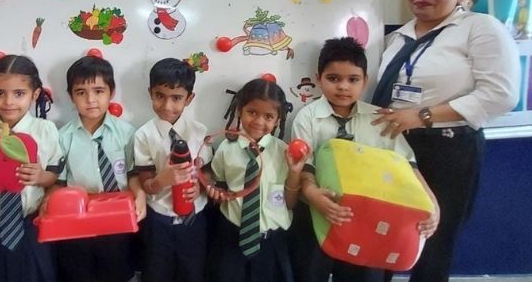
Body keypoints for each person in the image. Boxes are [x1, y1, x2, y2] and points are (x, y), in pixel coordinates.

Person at [371, 0, 519, 281]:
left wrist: (422, 115)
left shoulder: (479, 28)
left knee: (434, 241)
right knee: (383, 234)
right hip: (396, 149)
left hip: (447, 150)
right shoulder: (399, 37)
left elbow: (501, 94)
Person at [290, 37, 438, 282]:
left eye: (353, 79)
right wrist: (313, 195)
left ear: (365, 81)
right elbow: (304, 166)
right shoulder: (307, 118)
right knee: (310, 272)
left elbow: (407, 166)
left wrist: (432, 203)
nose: (343, 87)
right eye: (333, 78)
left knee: (364, 275)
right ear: (318, 78)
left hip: (368, 219)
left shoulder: (378, 118)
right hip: (318, 211)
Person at [0, 54, 63, 282]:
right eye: (0, 93)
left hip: (31, 223)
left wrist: (41, 176)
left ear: (34, 94)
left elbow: (55, 176)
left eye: (19, 94)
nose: (8, 102)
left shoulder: (45, 130)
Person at [54, 55, 146, 282]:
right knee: (80, 272)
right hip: (79, 218)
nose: (90, 100)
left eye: (98, 91)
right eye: (81, 92)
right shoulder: (63, 137)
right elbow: (60, 183)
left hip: (117, 215)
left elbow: (132, 174)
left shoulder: (126, 133)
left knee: (117, 270)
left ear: (111, 92)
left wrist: (140, 194)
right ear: (71, 96)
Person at [207, 78, 305, 282]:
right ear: (239, 111)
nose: (259, 122)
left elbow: (290, 203)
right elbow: (219, 186)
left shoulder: (284, 152)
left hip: (271, 241)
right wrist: (216, 193)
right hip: (232, 236)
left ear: (278, 120)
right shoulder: (226, 148)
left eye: (268, 116)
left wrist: (295, 172)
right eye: (252, 112)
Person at [133, 57, 211, 282]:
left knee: (193, 272)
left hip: (195, 220)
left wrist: (201, 187)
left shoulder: (200, 131)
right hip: (159, 221)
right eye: (160, 96)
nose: (167, 106)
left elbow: (208, 172)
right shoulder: (143, 136)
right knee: (157, 273)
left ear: (189, 98)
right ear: (150, 93)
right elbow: (146, 184)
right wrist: (162, 180)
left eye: (176, 98)